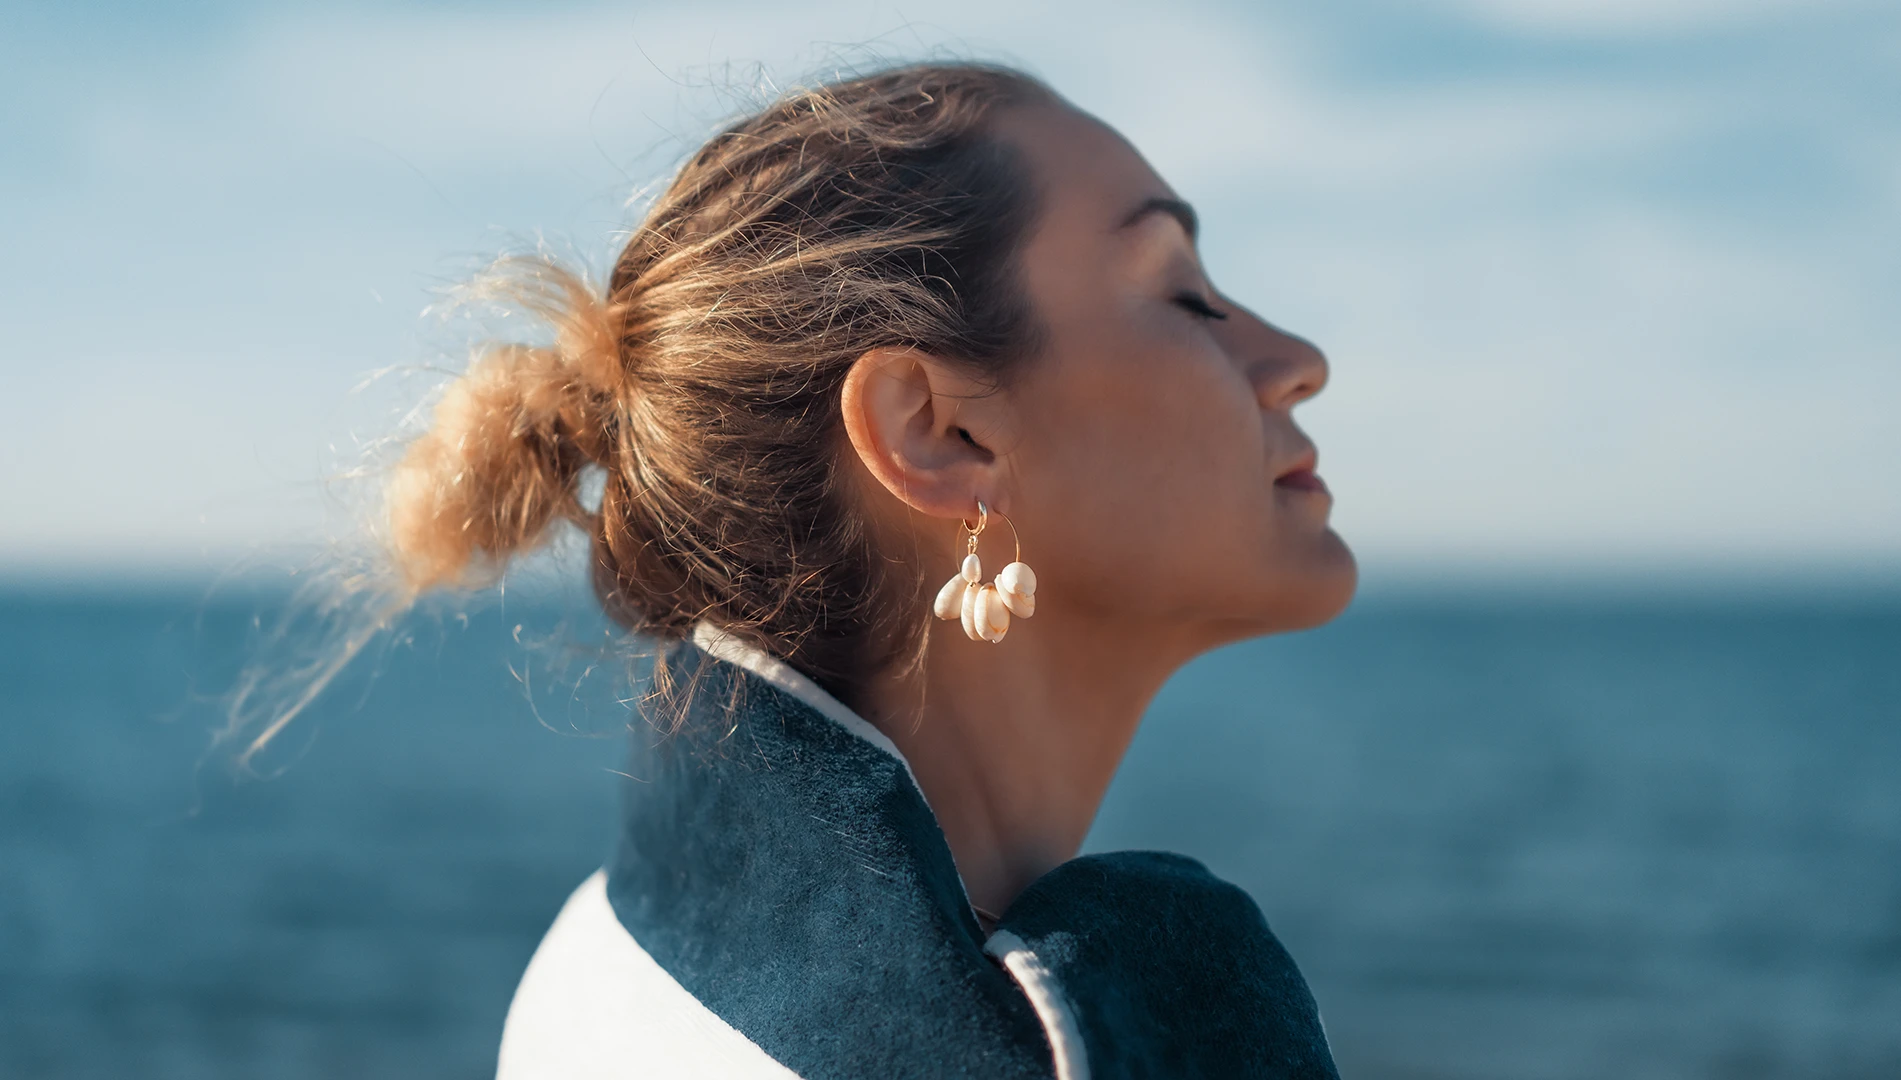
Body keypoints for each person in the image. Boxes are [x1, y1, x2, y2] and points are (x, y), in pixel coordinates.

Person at [380, 61, 1355, 1078]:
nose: (1297, 357)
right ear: (936, 431)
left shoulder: (602, 958)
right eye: (1184, 293)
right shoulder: (1096, 1042)